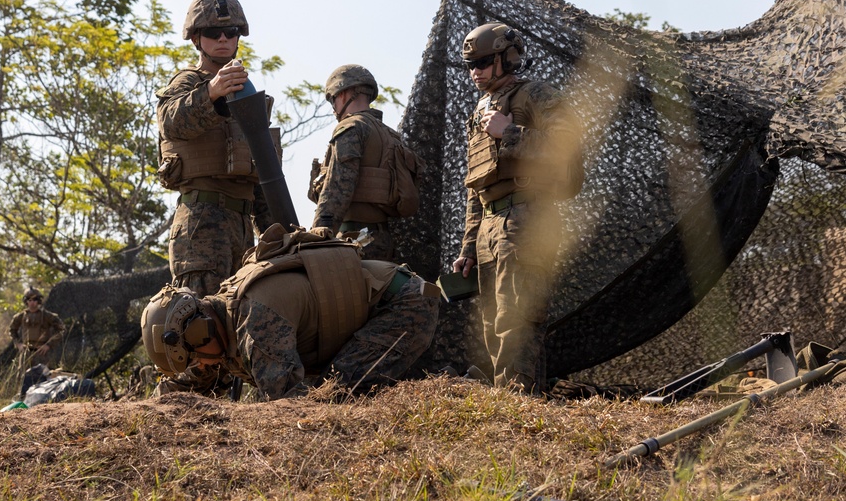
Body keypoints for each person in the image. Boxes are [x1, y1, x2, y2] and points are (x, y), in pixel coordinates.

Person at [142, 224, 441, 401]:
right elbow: (190, 385)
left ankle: (448, 384)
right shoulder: (216, 320)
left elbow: (289, 406)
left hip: (403, 304)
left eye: (195, 358)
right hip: (382, 304)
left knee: (332, 397)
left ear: (200, 331)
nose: (202, 366)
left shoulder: (255, 322)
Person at [451, 22, 584, 394]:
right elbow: (477, 186)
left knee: (517, 318)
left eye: (482, 62)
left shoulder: (537, 95)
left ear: (507, 58)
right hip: (491, 227)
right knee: (495, 323)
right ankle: (516, 404)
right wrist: (468, 247)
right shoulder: (480, 109)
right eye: (469, 65)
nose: (474, 72)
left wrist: (508, 132)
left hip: (528, 218)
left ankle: (516, 405)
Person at [155, 0, 276, 297]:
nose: (223, 39)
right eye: (212, 32)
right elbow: (170, 121)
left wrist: (280, 234)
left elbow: (260, 171)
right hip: (201, 222)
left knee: (238, 320)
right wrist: (211, 92)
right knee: (200, 326)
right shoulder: (188, 82)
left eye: (230, 31)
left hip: (242, 226)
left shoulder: (245, 92)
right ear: (197, 38)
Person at [309, 65, 423, 261]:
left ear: (343, 94)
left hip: (354, 239)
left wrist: (317, 237)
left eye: (333, 100)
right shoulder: (389, 135)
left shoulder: (351, 128)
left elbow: (338, 187)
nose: (334, 108)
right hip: (381, 239)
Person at [9, 287, 64, 370]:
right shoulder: (21, 316)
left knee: (41, 378)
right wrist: (18, 344)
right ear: (26, 301)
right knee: (23, 378)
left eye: (34, 300)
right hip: (26, 352)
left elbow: (61, 329)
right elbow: (12, 330)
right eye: (29, 300)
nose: (32, 303)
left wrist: (49, 345)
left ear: (38, 301)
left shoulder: (47, 315)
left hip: (41, 352)